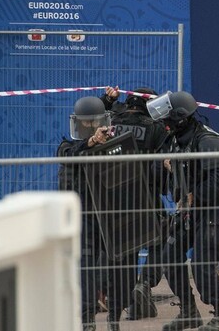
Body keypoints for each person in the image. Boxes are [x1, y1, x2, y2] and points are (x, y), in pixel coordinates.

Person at [147, 91, 219, 331]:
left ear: (181, 117)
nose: (164, 122)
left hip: (211, 211)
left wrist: (194, 196)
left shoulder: (208, 140)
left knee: (202, 264)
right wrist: (168, 169)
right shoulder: (177, 139)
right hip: (189, 211)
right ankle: (188, 312)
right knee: (170, 256)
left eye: (168, 117)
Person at [58, 96, 134, 331]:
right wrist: (90, 142)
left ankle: (114, 318)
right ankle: (87, 320)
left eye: (95, 122)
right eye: (86, 123)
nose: (91, 127)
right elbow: (69, 155)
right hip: (84, 218)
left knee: (117, 267)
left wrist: (106, 102)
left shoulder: (113, 146)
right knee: (86, 268)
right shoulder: (68, 147)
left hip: (110, 216)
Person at [104, 87, 170, 321]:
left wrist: (107, 101)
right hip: (145, 195)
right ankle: (145, 283)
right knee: (162, 236)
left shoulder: (112, 119)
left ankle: (123, 298)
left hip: (111, 196)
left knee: (124, 248)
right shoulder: (155, 127)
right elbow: (162, 163)